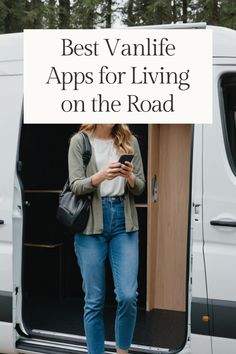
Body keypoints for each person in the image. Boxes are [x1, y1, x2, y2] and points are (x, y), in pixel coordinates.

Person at [68, 124, 145, 354]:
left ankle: (123, 351)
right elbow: (75, 185)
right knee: (94, 300)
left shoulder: (130, 140)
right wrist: (101, 176)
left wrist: (129, 176)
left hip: (124, 221)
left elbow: (140, 186)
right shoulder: (79, 142)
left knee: (128, 296)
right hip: (92, 224)